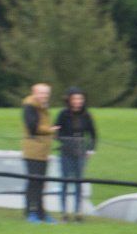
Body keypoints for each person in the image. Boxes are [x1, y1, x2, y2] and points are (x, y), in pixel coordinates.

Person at [54, 87, 97, 221]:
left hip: (80, 152)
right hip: (66, 152)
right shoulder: (63, 114)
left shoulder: (86, 115)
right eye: (75, 99)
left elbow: (93, 134)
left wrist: (90, 149)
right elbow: (57, 131)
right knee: (65, 181)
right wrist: (64, 140)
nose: (78, 101)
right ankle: (63, 212)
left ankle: (78, 212)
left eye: (80, 99)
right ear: (70, 100)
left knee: (79, 182)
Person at [20, 82, 53, 222]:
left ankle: (41, 212)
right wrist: (50, 130)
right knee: (34, 182)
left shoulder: (42, 107)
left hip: (43, 151)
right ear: (34, 93)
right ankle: (31, 212)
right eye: (41, 93)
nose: (44, 96)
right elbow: (32, 127)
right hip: (33, 151)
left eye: (46, 93)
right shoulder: (30, 106)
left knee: (41, 183)